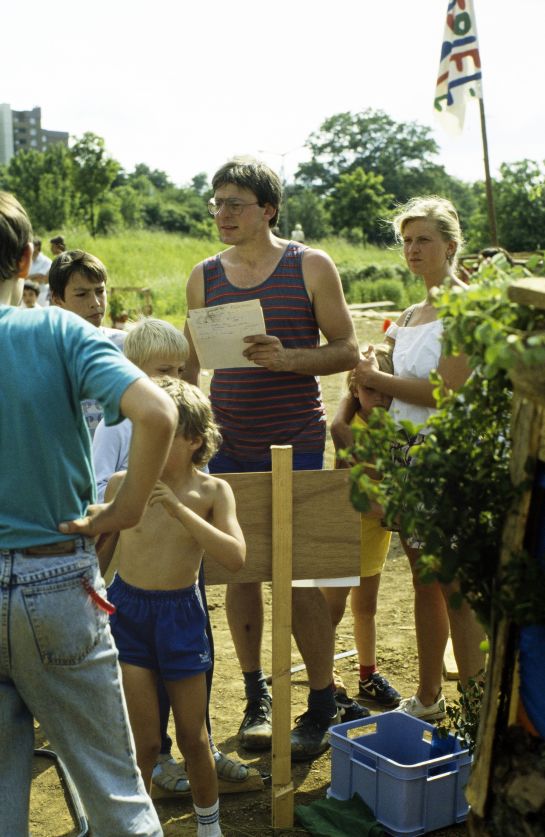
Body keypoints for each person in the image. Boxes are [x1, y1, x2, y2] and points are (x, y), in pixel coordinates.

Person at [0, 190, 179, 836]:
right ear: (28, 260)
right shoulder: (59, 329)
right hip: (56, 578)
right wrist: (124, 509)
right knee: (116, 798)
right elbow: (158, 411)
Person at [184, 157, 359, 760]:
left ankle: (319, 700)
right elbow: (189, 369)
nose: (222, 214)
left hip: (297, 440)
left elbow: (346, 350)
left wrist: (289, 359)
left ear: (267, 209)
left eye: (235, 203)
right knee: (241, 573)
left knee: (301, 573)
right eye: (217, 202)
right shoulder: (203, 276)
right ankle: (257, 696)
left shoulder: (309, 265)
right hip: (227, 442)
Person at [92, 317, 249, 793]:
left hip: (181, 606)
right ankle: (138, 814)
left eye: (181, 370)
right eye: (166, 371)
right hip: (129, 600)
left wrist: (181, 512)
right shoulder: (123, 453)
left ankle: (207, 817)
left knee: (194, 734)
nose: (150, 440)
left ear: (194, 438)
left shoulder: (208, 483)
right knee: (142, 741)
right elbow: (103, 532)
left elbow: (233, 553)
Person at [353, 195, 486, 720]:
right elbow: (384, 386)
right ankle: (429, 698)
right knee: (422, 581)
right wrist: (369, 371)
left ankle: (476, 709)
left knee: (456, 586)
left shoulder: (468, 307)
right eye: (406, 240)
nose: (412, 249)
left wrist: (375, 377)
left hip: (451, 463)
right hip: (406, 462)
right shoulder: (408, 314)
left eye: (423, 239)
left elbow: (447, 391)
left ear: (450, 246)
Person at [326, 344, 401, 709]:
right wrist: (387, 508)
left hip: (376, 531)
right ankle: (326, 677)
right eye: (371, 390)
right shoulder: (349, 427)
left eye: (387, 389)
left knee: (366, 607)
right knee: (331, 608)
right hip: (345, 527)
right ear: (355, 389)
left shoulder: (397, 424)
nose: (381, 399)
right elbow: (348, 486)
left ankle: (367, 674)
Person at [49, 249, 127, 438]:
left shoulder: (127, 346)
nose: (95, 303)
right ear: (58, 299)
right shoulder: (45, 353)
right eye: (82, 294)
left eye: (100, 291)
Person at [28, 238, 52, 306]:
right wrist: (34, 277)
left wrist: (27, 277)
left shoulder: (46, 261)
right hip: (26, 295)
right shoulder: (26, 260)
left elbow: (43, 278)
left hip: (41, 294)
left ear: (37, 246)